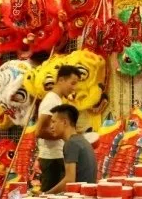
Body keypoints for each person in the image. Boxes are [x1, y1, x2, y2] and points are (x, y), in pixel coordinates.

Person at [35, 65, 81, 193]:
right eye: (72, 83)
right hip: (52, 158)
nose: (74, 88)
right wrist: (64, 136)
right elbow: (39, 131)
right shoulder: (51, 101)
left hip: (55, 156)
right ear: (61, 80)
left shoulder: (57, 100)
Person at [46, 104, 97, 194]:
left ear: (65, 122)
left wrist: (45, 195)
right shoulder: (82, 140)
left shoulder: (71, 144)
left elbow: (69, 180)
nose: (51, 126)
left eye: (54, 122)